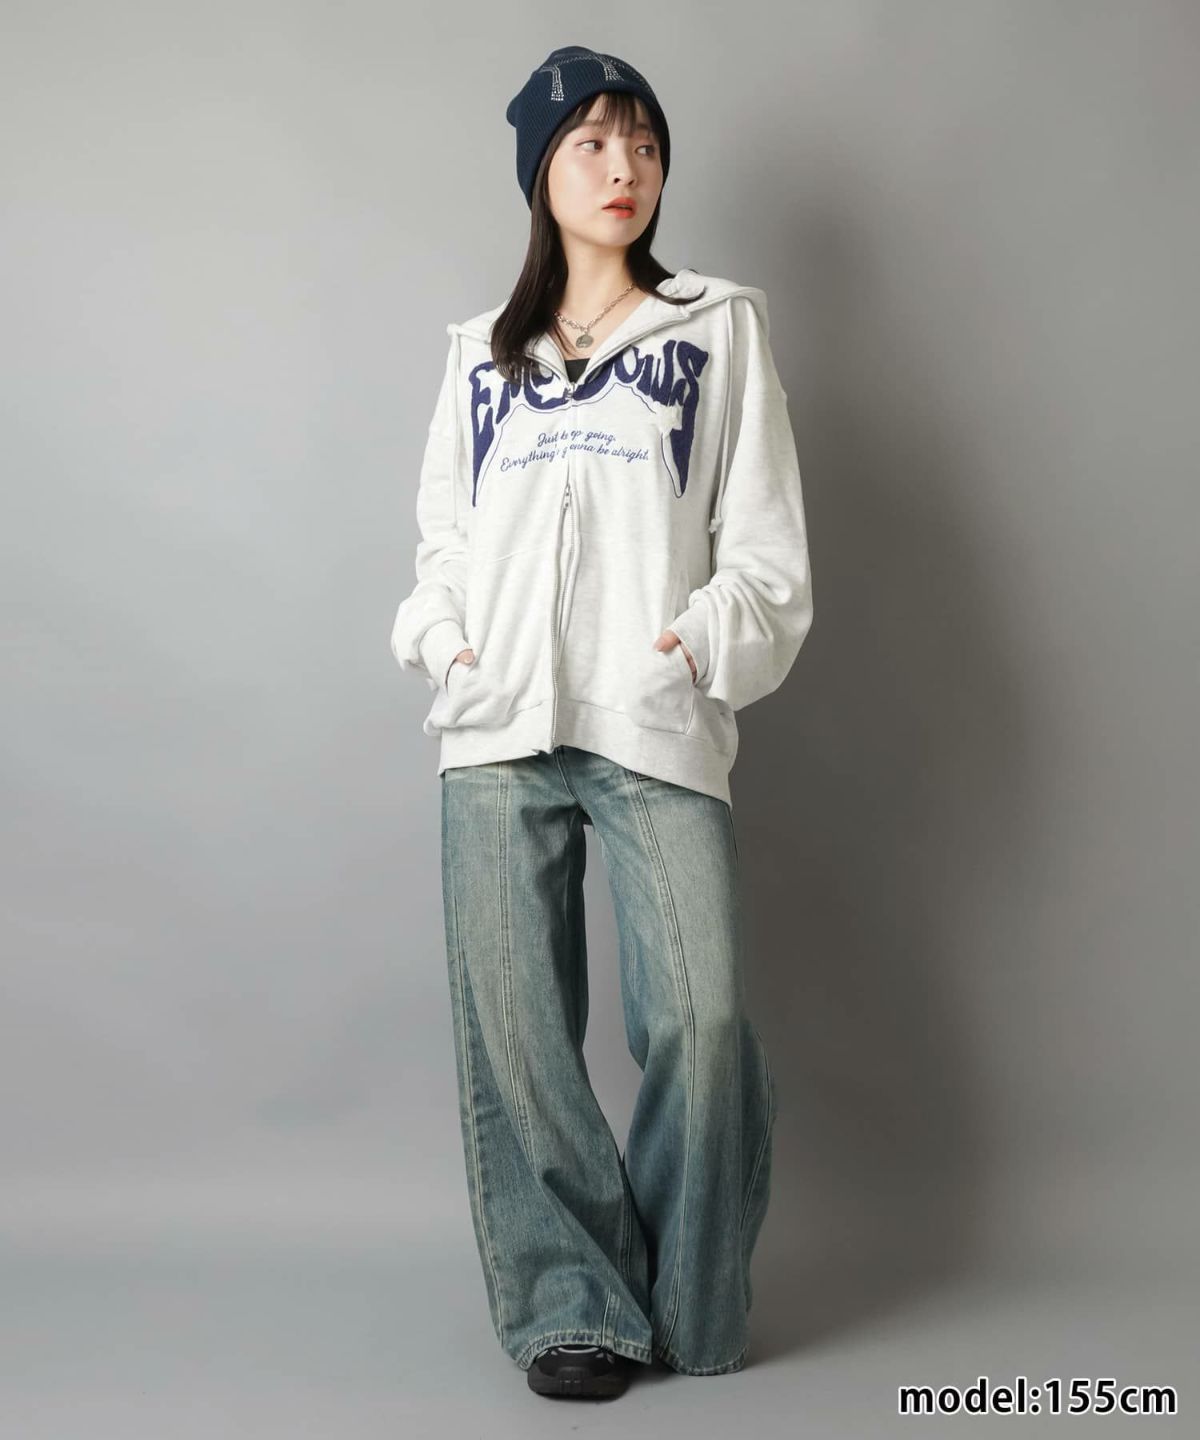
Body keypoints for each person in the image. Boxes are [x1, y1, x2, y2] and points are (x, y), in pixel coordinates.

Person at [390, 44, 814, 1400]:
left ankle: (684, 1295)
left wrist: (696, 645)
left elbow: (766, 547)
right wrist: (446, 643)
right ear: (542, 171)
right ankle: (572, 1303)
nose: (623, 167)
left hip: (651, 714)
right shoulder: (480, 357)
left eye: (643, 142)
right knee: (517, 1038)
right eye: (590, 142)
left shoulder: (716, 329)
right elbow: (445, 546)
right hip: (497, 722)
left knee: (702, 1018)